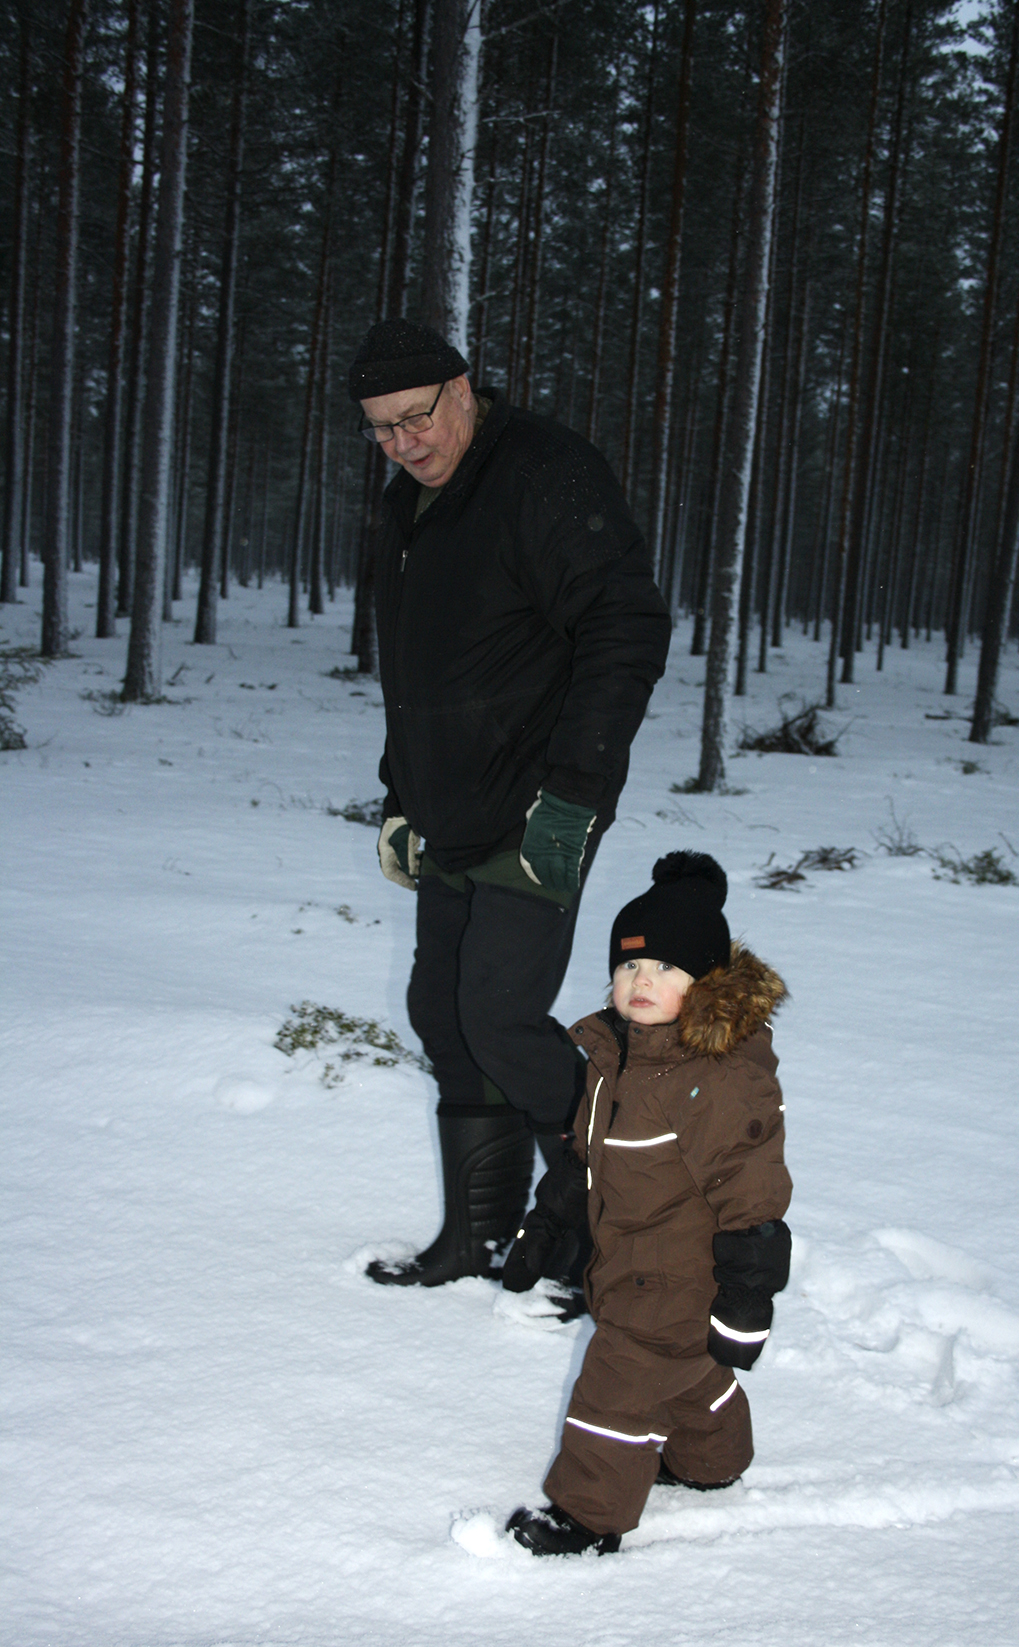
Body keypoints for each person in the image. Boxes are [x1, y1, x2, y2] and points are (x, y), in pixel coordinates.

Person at [349, 319, 671, 1290]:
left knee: (497, 1011)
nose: (404, 445)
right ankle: (476, 1238)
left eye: (415, 419)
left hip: (539, 800)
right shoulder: (410, 506)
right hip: (451, 802)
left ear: (461, 389)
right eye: (380, 431)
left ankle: (605, 1232)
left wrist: (574, 796)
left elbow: (627, 626)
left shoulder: (544, 474)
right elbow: (417, 673)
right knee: (442, 1012)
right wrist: (401, 796)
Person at [501, 851, 793, 1555]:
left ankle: (588, 1516)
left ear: (706, 987)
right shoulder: (616, 1060)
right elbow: (586, 1158)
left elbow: (752, 1197)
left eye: (666, 968)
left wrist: (747, 1301)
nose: (642, 981)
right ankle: (710, 1461)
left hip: (674, 1277)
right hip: (627, 1263)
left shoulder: (713, 1081)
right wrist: (546, 1226)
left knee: (616, 1393)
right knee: (688, 1372)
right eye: (630, 965)